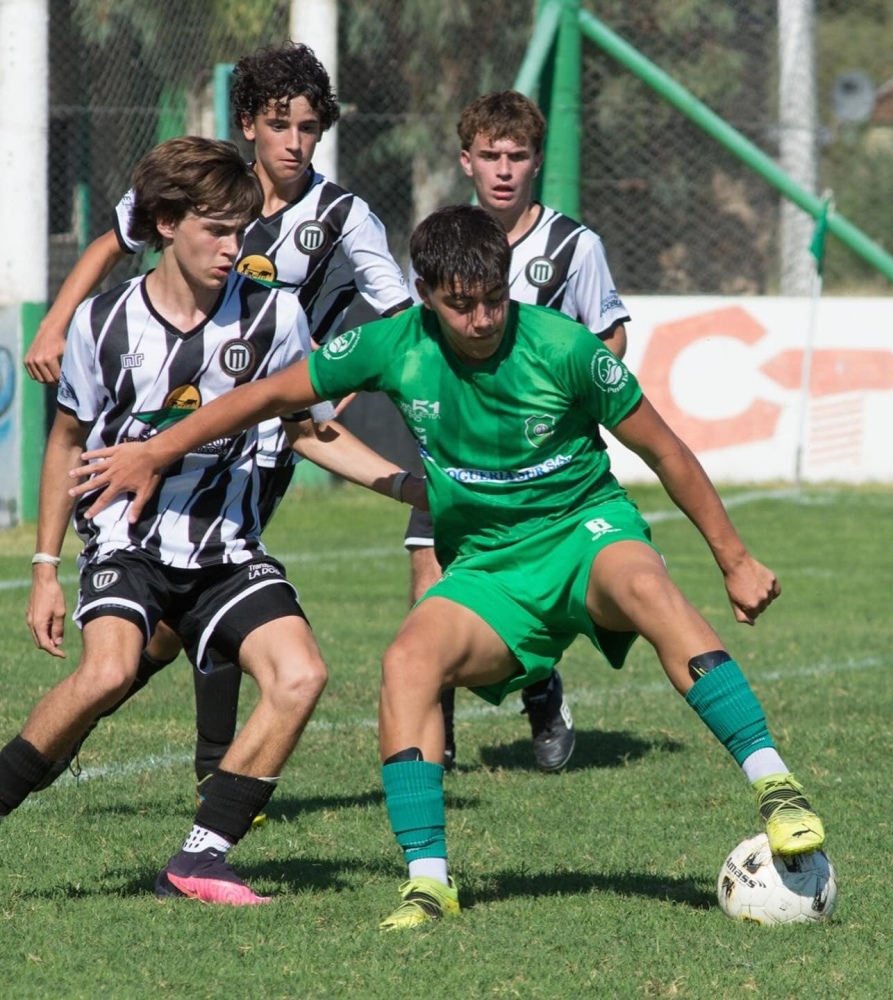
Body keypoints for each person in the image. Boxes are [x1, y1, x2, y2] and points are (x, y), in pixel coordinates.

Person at [73, 204, 827, 929]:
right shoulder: (394, 343)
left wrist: (734, 558)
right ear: (426, 296)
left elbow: (665, 450)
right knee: (408, 660)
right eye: (461, 305)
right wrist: (157, 449)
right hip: (491, 567)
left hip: (584, 532)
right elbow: (265, 395)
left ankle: (776, 787)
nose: (482, 318)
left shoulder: (565, 347)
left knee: (642, 583)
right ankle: (429, 883)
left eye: (494, 299)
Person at [6, 135, 424, 905]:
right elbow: (67, 440)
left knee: (301, 675)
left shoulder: (276, 318)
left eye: (242, 231)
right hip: (127, 543)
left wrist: (407, 487)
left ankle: (200, 858)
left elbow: (308, 428)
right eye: (217, 231)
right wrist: (44, 569)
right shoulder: (103, 324)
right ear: (165, 222)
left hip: (228, 550)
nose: (236, 248)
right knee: (105, 672)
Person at [405, 90, 631, 773]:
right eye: (491, 156)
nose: (504, 169)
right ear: (466, 162)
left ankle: (541, 688)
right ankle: (434, 744)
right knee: (429, 582)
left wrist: (559, 407)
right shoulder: (444, 241)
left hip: (540, 473)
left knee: (534, 588)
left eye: (519, 156)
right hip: (454, 456)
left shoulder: (572, 246)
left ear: (537, 162)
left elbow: (611, 336)